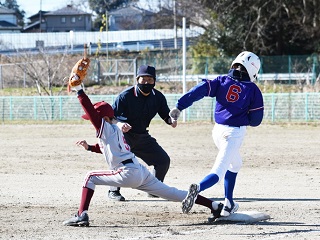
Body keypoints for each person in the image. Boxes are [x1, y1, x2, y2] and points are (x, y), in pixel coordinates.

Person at [63, 83, 222, 227]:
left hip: (127, 173)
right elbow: (105, 148)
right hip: (140, 171)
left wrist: (79, 91)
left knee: (90, 177)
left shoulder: (105, 127)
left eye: (96, 119)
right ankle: (214, 206)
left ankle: (81, 214)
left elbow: (91, 112)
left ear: (104, 117)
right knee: (173, 193)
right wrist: (90, 147)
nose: (92, 122)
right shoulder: (115, 131)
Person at [169, 51, 264, 219]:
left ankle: (229, 203)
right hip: (233, 134)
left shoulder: (222, 80)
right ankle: (198, 188)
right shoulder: (252, 89)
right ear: (253, 70)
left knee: (235, 164)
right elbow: (256, 120)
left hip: (217, 131)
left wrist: (179, 106)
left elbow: (198, 90)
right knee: (219, 172)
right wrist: (243, 117)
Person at [107, 65, 176, 201]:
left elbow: (165, 115)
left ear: (154, 81)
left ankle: (154, 188)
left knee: (163, 160)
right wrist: (120, 124)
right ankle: (113, 190)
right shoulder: (125, 96)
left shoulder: (158, 97)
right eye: (143, 79)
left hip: (142, 136)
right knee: (121, 161)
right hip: (123, 136)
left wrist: (171, 120)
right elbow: (111, 118)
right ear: (137, 79)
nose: (146, 83)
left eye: (150, 80)